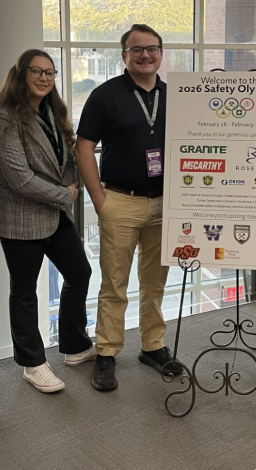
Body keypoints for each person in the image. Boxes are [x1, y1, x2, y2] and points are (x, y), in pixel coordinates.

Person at [75, 23, 181, 392]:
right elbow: (83, 146)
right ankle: (106, 352)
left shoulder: (175, 96)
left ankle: (152, 346)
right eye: (136, 50)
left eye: (152, 48)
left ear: (161, 53)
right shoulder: (105, 95)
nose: (145, 55)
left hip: (166, 203)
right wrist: (99, 200)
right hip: (120, 200)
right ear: (124, 55)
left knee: (155, 282)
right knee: (115, 282)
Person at [0, 50, 94, 393]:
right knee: (25, 292)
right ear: (21, 74)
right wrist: (66, 196)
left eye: (50, 72)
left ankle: (74, 347)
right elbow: (18, 178)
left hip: (54, 215)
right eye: (37, 71)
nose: (45, 78)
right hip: (20, 219)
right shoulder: (3, 118)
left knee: (80, 273)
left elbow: (63, 161)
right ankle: (32, 364)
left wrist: (70, 183)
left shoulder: (51, 110)